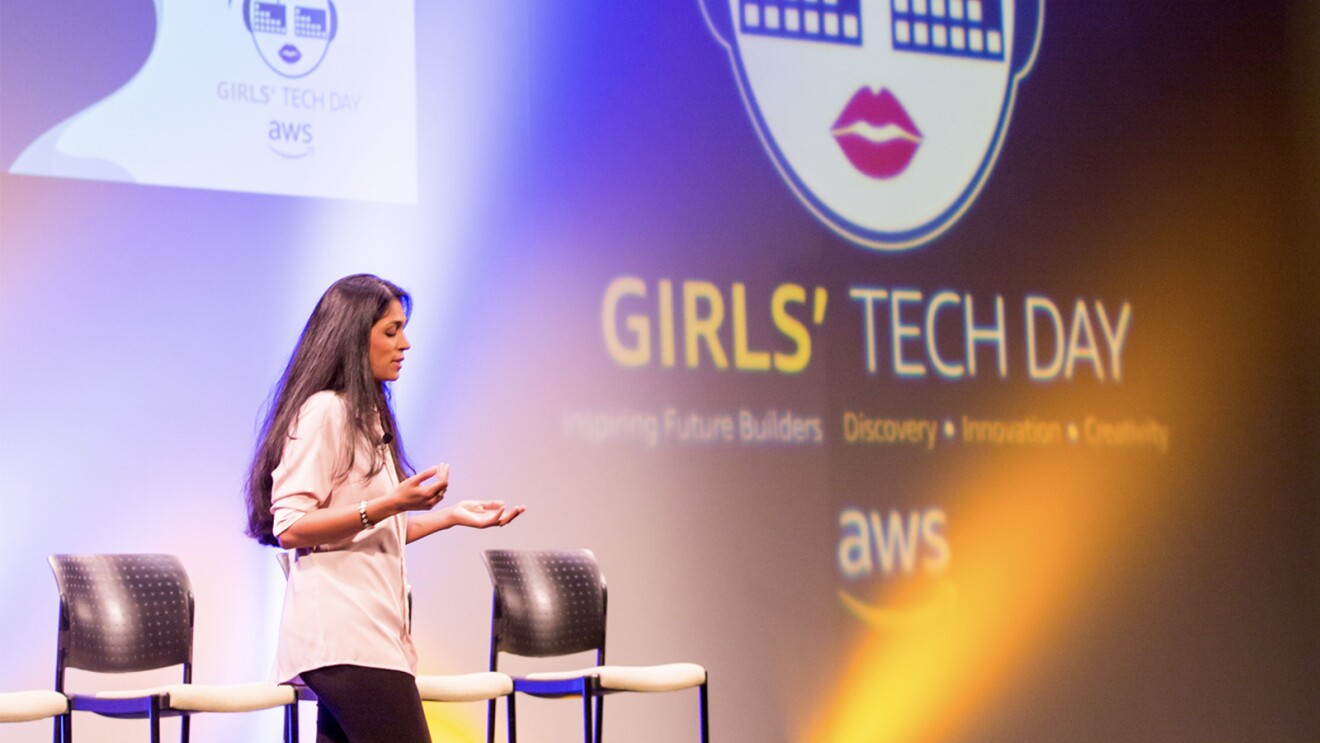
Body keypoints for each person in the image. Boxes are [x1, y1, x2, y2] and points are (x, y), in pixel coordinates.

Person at [244, 273, 524, 743]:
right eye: (391, 331)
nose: (406, 343)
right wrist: (390, 502)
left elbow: (368, 528)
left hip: (366, 638)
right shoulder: (324, 412)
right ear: (355, 338)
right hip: (344, 639)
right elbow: (290, 525)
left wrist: (449, 517)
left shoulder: (365, 415)